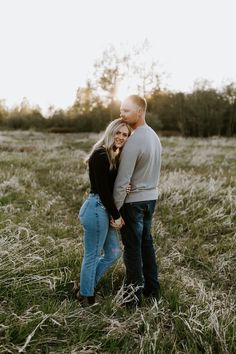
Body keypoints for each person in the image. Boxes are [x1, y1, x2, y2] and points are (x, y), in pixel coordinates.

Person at [113, 95, 162, 307]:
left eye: (126, 110)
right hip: (151, 199)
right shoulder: (154, 136)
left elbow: (123, 180)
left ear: (139, 112)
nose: (121, 114)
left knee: (133, 249)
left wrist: (114, 211)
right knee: (146, 244)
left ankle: (131, 298)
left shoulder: (135, 140)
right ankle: (153, 290)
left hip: (133, 203)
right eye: (121, 110)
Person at [78, 118, 132, 307]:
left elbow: (110, 185)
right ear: (111, 132)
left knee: (113, 253)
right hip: (96, 209)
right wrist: (116, 215)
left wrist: (125, 186)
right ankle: (87, 297)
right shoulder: (100, 154)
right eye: (118, 132)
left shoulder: (112, 155)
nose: (121, 137)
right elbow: (103, 190)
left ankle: (86, 285)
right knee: (92, 254)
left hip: (102, 209)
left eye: (125, 134)